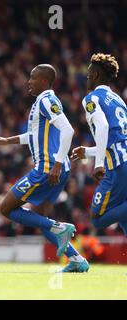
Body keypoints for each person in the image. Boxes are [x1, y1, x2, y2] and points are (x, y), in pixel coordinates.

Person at [0, 64, 89, 272]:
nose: (29, 81)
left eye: (33, 78)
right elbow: (35, 136)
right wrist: (8, 141)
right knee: (40, 219)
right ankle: (76, 260)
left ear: (44, 81)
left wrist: (57, 163)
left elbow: (68, 130)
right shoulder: (41, 103)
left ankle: (59, 227)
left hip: (47, 169)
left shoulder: (47, 100)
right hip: (55, 170)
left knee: (6, 208)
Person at [72, 53, 127, 237]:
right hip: (123, 160)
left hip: (118, 167)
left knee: (97, 218)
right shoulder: (118, 100)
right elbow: (115, 141)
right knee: (122, 215)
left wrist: (99, 164)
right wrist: (88, 152)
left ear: (95, 75)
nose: (86, 76)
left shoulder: (92, 98)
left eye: (88, 73)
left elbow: (102, 126)